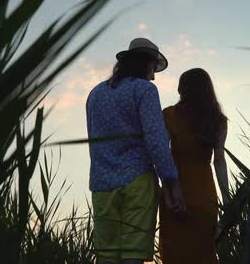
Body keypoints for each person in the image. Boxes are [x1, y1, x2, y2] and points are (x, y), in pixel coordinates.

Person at [86, 37, 186, 264]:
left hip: (101, 185)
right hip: (137, 182)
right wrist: (171, 182)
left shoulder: (95, 93)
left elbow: (94, 139)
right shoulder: (145, 90)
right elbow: (156, 140)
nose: (153, 76)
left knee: (107, 257)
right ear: (147, 64)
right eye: (153, 69)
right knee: (133, 256)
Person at [159, 68, 229, 264]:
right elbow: (219, 161)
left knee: (175, 254)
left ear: (182, 88)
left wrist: (168, 192)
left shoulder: (169, 114)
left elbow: (162, 154)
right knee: (203, 253)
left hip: (174, 191)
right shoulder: (218, 120)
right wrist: (226, 198)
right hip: (204, 193)